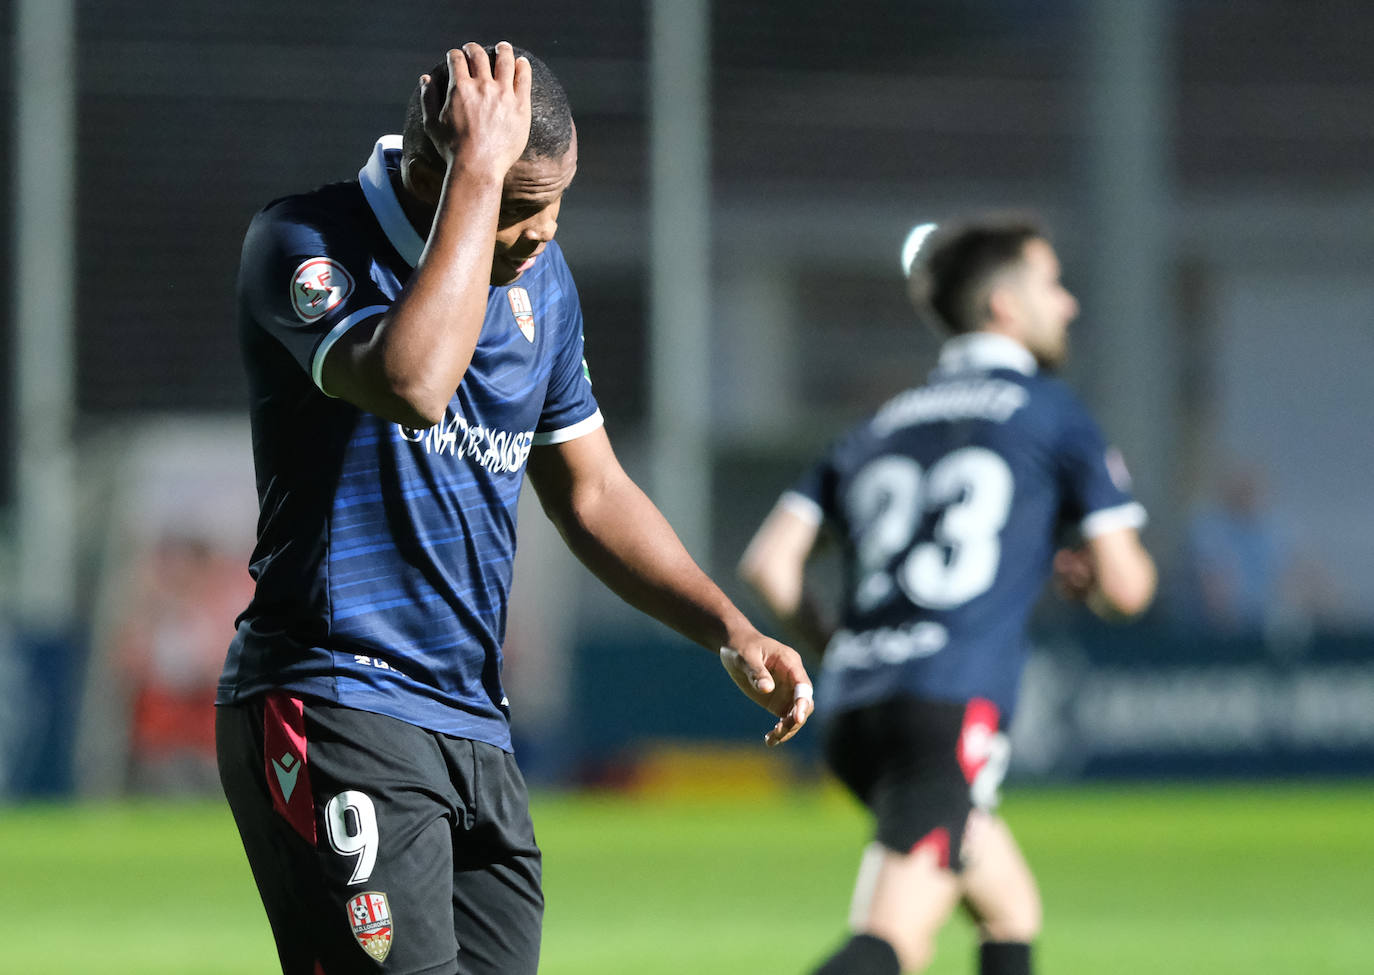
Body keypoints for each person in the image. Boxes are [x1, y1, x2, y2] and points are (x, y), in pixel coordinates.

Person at [215, 42, 814, 975]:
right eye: (519, 205)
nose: (542, 232)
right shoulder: (305, 240)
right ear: (434, 171)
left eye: (556, 199)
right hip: (336, 701)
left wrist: (731, 628)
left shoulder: (541, 285)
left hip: (473, 726)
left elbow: (594, 491)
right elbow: (412, 380)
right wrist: (478, 180)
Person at [739, 215, 1156, 975]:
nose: (1067, 305)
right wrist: (1098, 579)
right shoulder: (1053, 412)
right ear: (1003, 305)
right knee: (892, 938)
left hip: (856, 705)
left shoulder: (879, 424)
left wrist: (837, 644)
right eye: (1052, 285)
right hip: (946, 705)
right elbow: (1128, 588)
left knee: (1009, 906)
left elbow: (770, 562)